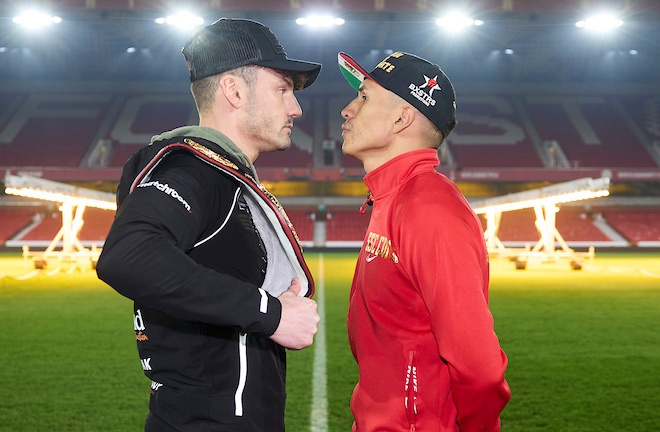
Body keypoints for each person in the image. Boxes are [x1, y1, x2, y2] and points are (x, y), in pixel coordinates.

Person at [96, 18, 321, 432]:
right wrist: (269, 312)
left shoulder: (220, 174)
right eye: (283, 89)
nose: (296, 108)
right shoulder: (192, 170)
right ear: (234, 91)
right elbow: (127, 255)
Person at [337, 51, 511, 431]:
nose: (347, 110)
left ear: (403, 118)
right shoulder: (393, 197)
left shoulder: (428, 206)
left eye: (364, 97)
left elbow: (478, 368)